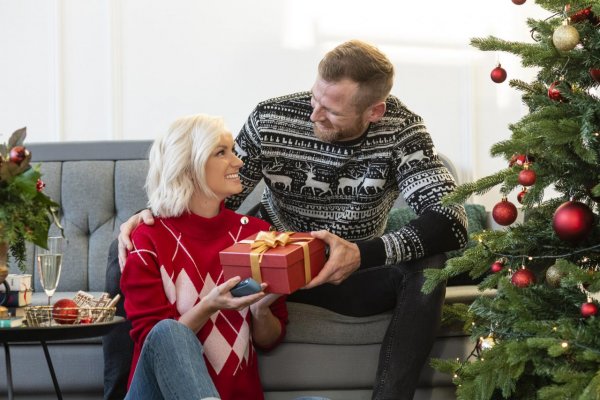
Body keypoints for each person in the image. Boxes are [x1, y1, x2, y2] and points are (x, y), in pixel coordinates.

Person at [118, 40, 468, 400]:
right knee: (129, 250)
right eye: (315, 97)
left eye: (331, 110)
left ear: (374, 111)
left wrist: (361, 254)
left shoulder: (403, 131)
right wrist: (149, 218)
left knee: (429, 266)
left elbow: (451, 218)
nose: (314, 114)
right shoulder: (271, 118)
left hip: (351, 274)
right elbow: (210, 189)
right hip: (275, 263)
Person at [120, 113, 289, 400]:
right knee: (167, 333)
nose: (238, 162)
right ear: (188, 168)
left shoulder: (258, 237)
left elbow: (269, 340)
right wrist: (210, 306)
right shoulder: (147, 239)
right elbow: (157, 348)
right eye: (221, 153)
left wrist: (261, 310)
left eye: (233, 151)